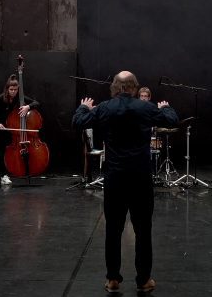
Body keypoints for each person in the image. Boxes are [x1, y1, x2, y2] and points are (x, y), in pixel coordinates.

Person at [73, 71, 177, 293]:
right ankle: (144, 280)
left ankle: (112, 279)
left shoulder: (104, 107)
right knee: (143, 230)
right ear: (134, 87)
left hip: (115, 178)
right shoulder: (145, 108)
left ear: (115, 87)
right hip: (140, 178)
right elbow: (172, 120)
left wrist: (84, 107)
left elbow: (78, 121)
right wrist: (165, 107)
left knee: (113, 229)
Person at [0, 74, 40, 186]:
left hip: (12, 133)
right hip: (0, 130)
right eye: (11, 89)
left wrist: (28, 107)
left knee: (7, 154)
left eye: (15, 90)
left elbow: (36, 103)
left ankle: (5, 176)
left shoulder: (20, 98)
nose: (13, 92)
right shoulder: (0, 99)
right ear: (7, 89)